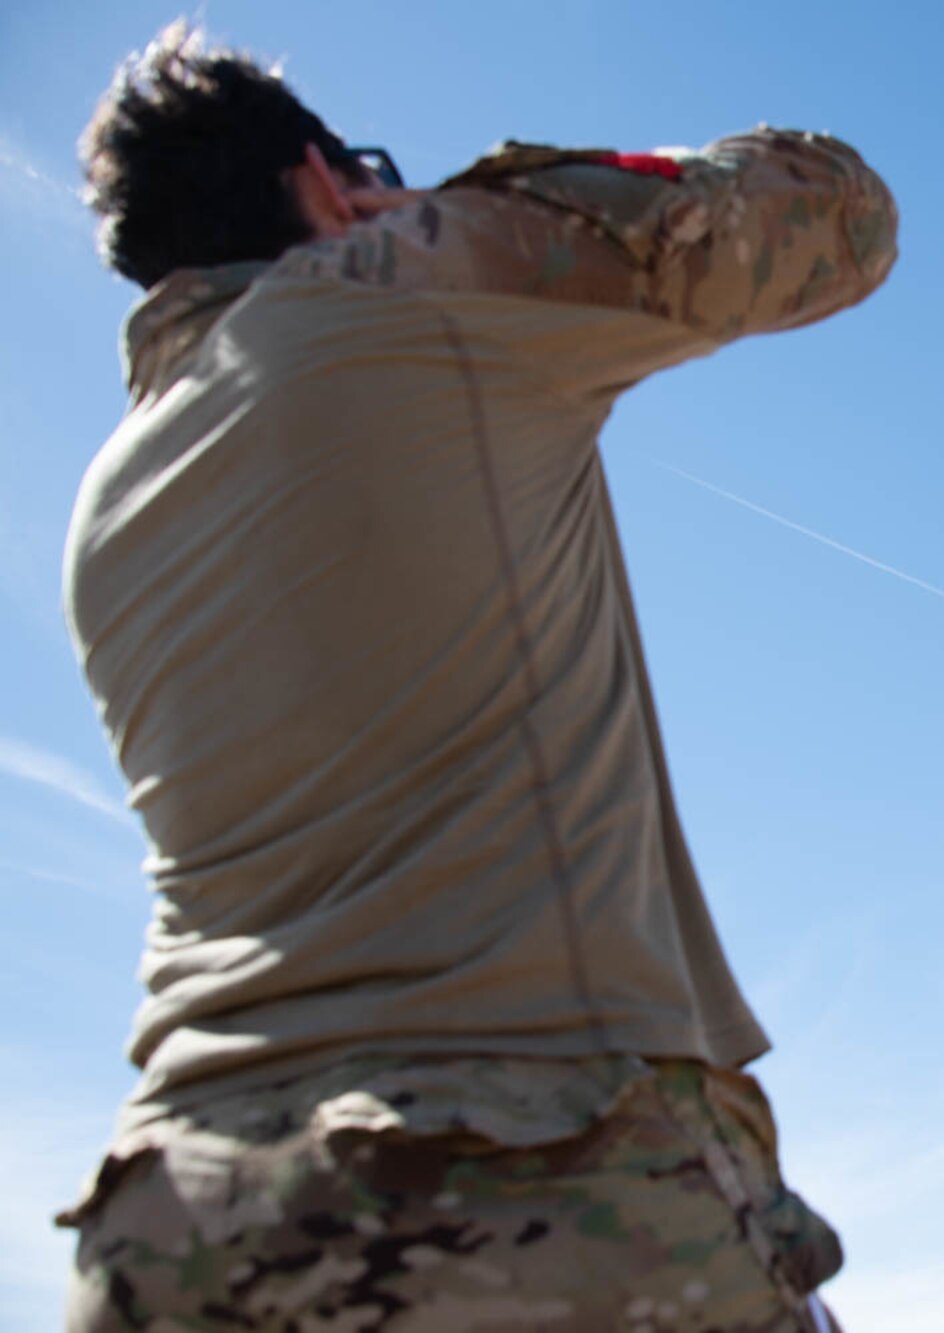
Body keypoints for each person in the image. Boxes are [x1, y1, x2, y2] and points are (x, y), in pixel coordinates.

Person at [58, 20, 896, 1332]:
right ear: (331, 189)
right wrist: (460, 204)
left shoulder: (107, 503)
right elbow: (833, 215)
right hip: (525, 1169)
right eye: (366, 174)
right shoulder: (397, 275)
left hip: (177, 1226)